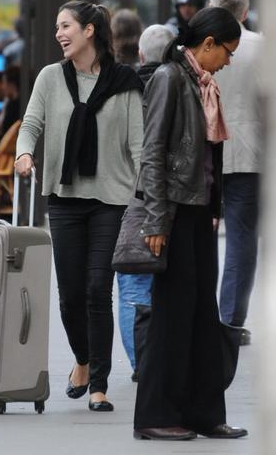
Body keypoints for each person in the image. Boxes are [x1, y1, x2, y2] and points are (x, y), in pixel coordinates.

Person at [15, 1, 143, 413]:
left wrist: (148, 198)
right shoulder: (51, 78)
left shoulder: (125, 83)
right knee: (70, 295)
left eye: (65, 25)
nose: (59, 34)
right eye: (56, 27)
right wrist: (24, 153)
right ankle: (83, 361)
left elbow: (139, 146)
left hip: (112, 199)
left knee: (95, 290)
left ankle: (99, 385)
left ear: (90, 30)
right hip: (65, 198)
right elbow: (32, 122)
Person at [133, 7, 247, 441]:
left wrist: (213, 205)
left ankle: (203, 412)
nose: (229, 62)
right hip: (175, 213)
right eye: (227, 53)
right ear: (208, 44)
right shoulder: (169, 78)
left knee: (202, 313)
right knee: (172, 315)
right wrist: (156, 220)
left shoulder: (200, 81)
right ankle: (155, 415)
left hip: (199, 210)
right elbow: (153, 152)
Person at [116, 23, 174, 381]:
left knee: (133, 283)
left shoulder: (126, 89)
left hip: (127, 197)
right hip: (170, 197)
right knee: (157, 282)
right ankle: (157, 361)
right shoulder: (183, 86)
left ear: (141, 54)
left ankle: (142, 364)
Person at [210, 0, 264, 346]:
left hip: (205, 153)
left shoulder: (197, 47)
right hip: (249, 153)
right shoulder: (261, 48)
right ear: (244, 12)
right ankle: (230, 318)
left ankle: (202, 315)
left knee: (199, 236)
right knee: (242, 239)